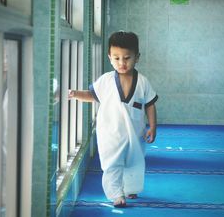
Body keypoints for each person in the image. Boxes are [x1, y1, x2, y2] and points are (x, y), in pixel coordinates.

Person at [68, 31, 158, 207]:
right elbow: (92, 95)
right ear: (110, 57)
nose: (122, 63)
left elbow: (150, 105)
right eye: (116, 58)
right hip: (110, 133)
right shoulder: (106, 80)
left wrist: (153, 127)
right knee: (112, 163)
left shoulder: (143, 82)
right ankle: (116, 194)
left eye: (127, 58)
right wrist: (75, 94)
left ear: (137, 57)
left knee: (135, 161)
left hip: (135, 133)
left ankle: (131, 188)